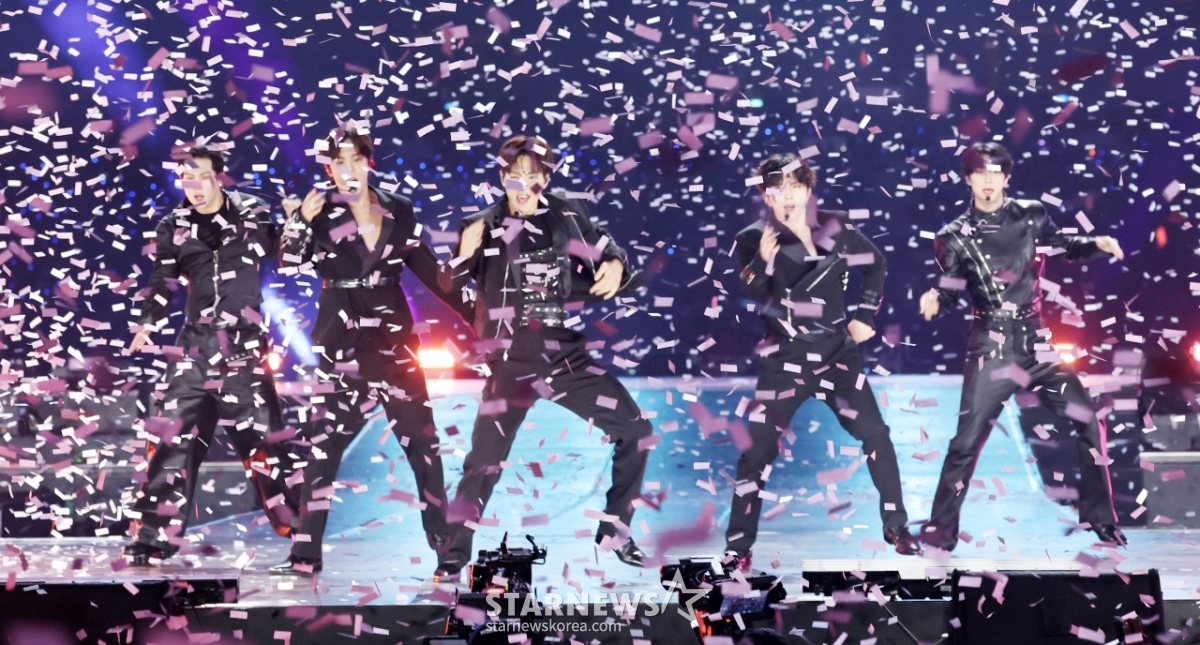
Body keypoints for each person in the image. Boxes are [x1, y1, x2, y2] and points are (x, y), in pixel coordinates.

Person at [435, 134, 652, 581]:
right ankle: (453, 556)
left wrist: (615, 263)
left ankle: (615, 532)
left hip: (563, 355)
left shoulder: (567, 214)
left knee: (636, 430)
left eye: (532, 177)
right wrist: (463, 256)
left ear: (546, 179)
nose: (523, 185)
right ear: (502, 178)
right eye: (514, 176)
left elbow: (604, 248)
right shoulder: (481, 224)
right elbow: (448, 286)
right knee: (483, 462)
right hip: (511, 360)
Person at [268, 125, 466, 574]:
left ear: (368, 162)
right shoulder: (317, 211)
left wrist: (479, 312)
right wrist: (299, 221)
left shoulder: (399, 209)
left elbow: (431, 272)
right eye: (339, 162)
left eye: (356, 159)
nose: (349, 169)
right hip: (342, 347)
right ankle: (305, 555)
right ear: (329, 168)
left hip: (395, 346)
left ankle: (445, 549)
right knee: (324, 450)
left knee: (423, 446)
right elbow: (290, 261)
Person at [919, 141, 1128, 550]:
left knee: (1089, 419)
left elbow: (1065, 245)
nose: (988, 181)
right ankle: (940, 531)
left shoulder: (1031, 214)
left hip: (1037, 342)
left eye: (995, 172)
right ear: (968, 179)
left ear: (1007, 177)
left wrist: (1097, 244)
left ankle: (1100, 518)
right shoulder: (953, 236)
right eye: (980, 173)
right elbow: (949, 288)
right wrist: (935, 299)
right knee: (966, 442)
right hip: (992, 345)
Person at [724, 153, 920, 571]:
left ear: (809, 190)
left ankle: (897, 526)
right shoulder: (751, 238)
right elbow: (754, 293)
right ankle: (738, 547)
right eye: (777, 189)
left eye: (795, 187)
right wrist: (762, 260)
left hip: (836, 354)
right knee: (756, 453)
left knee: (876, 433)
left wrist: (864, 315)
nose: (787, 196)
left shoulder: (837, 226)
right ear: (766, 195)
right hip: (784, 358)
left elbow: (877, 265)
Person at [124, 145, 298, 565]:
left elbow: (285, 254)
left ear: (219, 176)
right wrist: (148, 322)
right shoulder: (174, 226)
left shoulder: (252, 213)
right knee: (171, 438)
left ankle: (300, 531)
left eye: (201, 176)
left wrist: (296, 222)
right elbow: (163, 278)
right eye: (186, 178)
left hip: (243, 346)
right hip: (195, 345)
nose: (194, 186)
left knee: (264, 444)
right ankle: (154, 535)